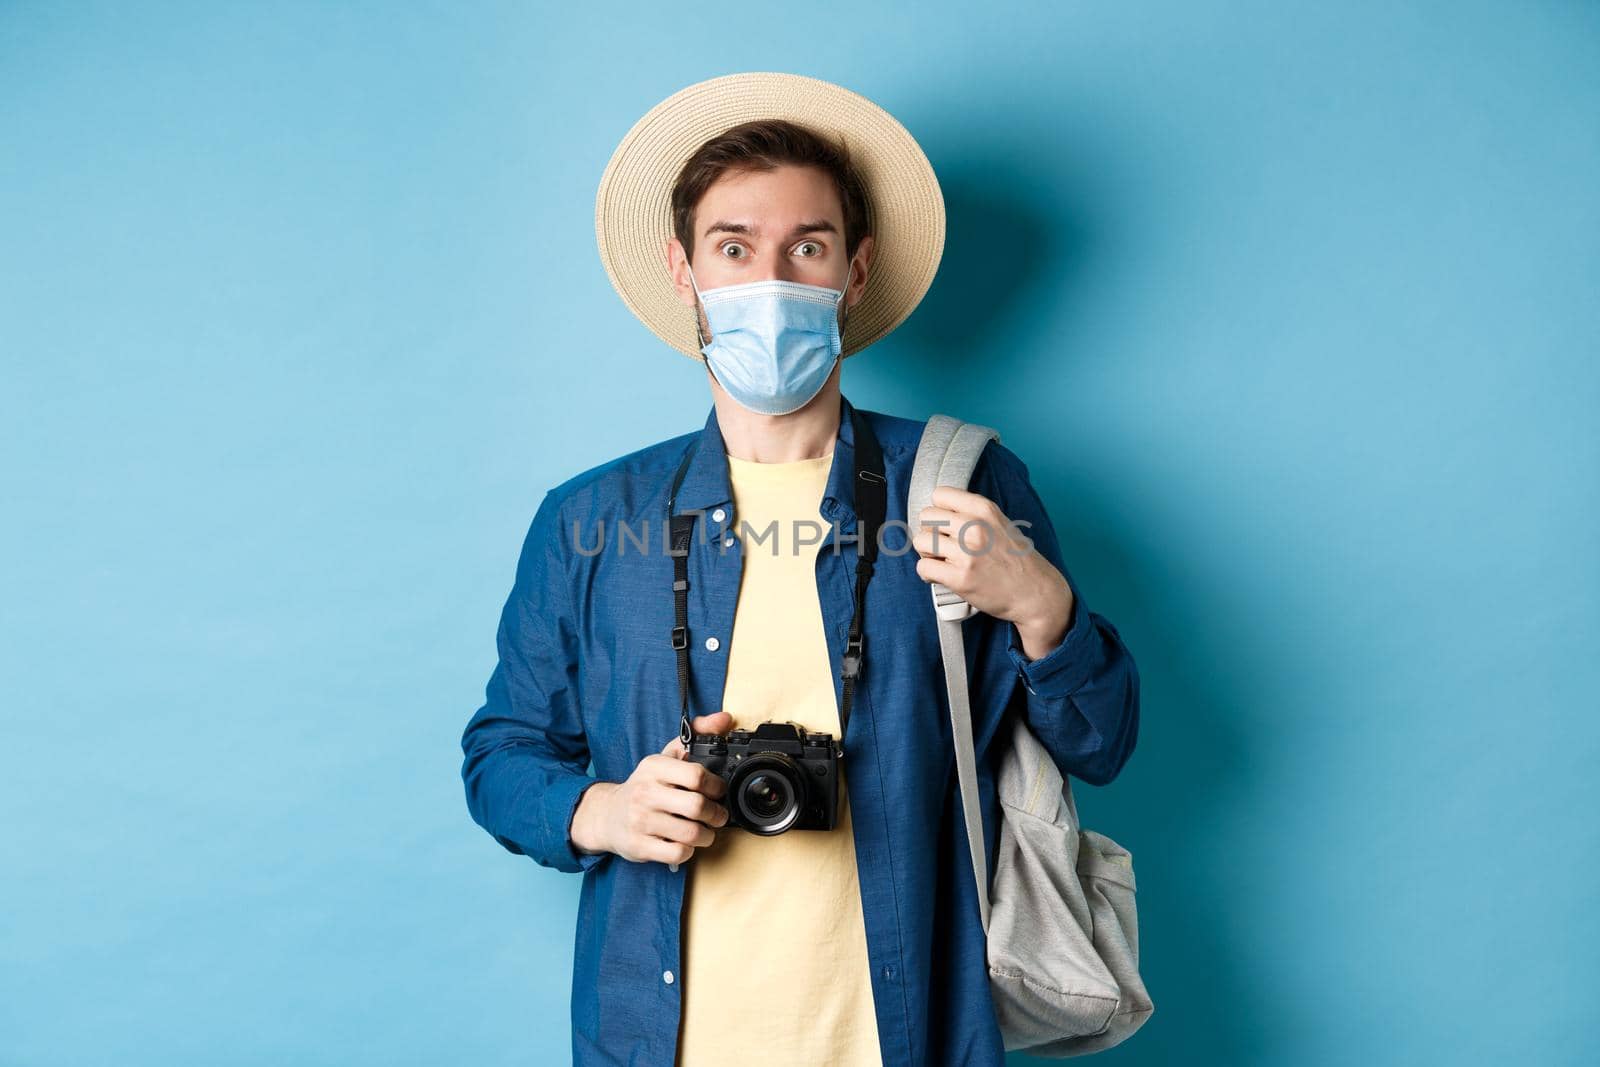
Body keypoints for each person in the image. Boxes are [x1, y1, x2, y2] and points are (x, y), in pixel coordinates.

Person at [459, 72, 1140, 1067]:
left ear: (853, 273)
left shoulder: (960, 484)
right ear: (683, 269)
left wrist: (1042, 604)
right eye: (734, 247)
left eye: (805, 248)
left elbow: (1100, 742)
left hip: (905, 1033)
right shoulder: (592, 520)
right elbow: (501, 753)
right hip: (662, 1036)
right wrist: (602, 808)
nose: (768, 281)